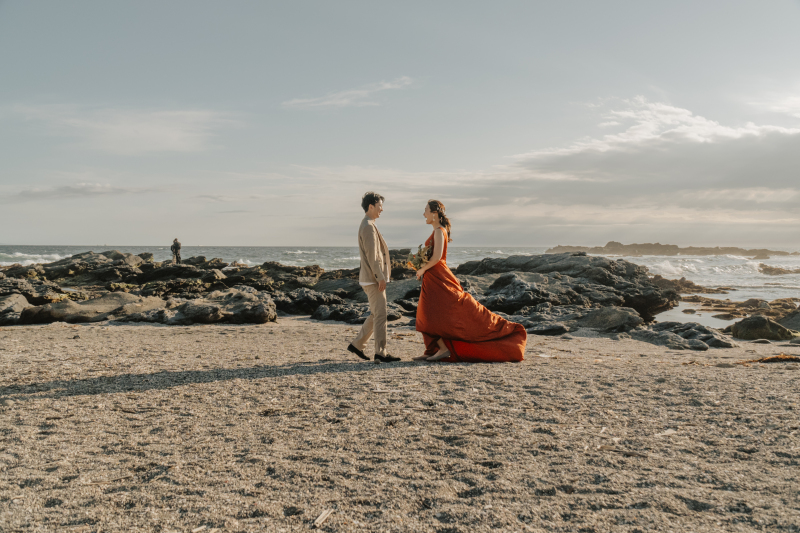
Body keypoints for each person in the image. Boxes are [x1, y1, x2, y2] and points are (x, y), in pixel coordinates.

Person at [413, 200, 527, 362]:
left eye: (425, 210)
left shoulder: (439, 231)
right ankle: (433, 350)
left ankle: (442, 349)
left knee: (429, 314)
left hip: (438, 277)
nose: (423, 214)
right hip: (433, 277)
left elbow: (437, 257)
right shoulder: (438, 231)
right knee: (427, 313)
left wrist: (422, 268)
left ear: (434, 213)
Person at [347, 192, 401, 363]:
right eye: (379, 206)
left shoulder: (368, 224)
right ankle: (381, 352)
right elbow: (373, 256)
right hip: (372, 278)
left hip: (370, 277)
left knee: (376, 314)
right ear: (371, 206)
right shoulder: (368, 226)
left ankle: (357, 344)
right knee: (381, 314)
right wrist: (380, 277)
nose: (381, 209)